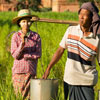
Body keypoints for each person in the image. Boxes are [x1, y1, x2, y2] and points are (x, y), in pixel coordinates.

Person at [42, 2, 100, 100]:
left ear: (92, 18)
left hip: (86, 82)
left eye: (85, 15)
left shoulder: (97, 39)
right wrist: (48, 68)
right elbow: (60, 50)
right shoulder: (71, 30)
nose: (81, 17)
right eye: (80, 14)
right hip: (70, 80)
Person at [11, 9, 41, 100]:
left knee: (31, 96)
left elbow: (38, 54)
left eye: (28, 21)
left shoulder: (36, 36)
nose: (26, 24)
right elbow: (15, 55)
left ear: (31, 23)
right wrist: (22, 43)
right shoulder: (15, 36)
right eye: (23, 21)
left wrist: (25, 56)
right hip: (19, 72)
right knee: (19, 97)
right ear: (19, 23)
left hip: (31, 71)